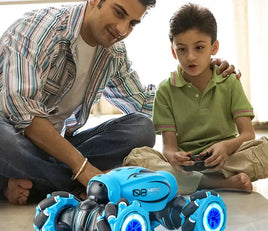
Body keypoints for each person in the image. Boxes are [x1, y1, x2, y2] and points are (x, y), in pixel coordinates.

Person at [0, 0, 236, 205]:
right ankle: (85, 183)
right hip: (12, 137)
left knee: (141, 128)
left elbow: (144, 104)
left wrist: (201, 77)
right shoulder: (39, 31)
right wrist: (83, 169)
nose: (122, 29)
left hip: (50, 149)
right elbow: (23, 113)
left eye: (133, 23)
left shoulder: (112, 52)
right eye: (119, 13)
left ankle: (34, 181)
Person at [124, 3, 268, 194]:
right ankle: (215, 182)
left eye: (199, 47)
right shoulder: (166, 90)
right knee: (136, 158)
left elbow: (248, 134)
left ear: (214, 47)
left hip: (228, 158)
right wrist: (175, 157)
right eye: (182, 49)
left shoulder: (230, 81)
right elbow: (169, 147)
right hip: (189, 165)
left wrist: (225, 147)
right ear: (174, 51)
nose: (191, 57)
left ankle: (191, 182)